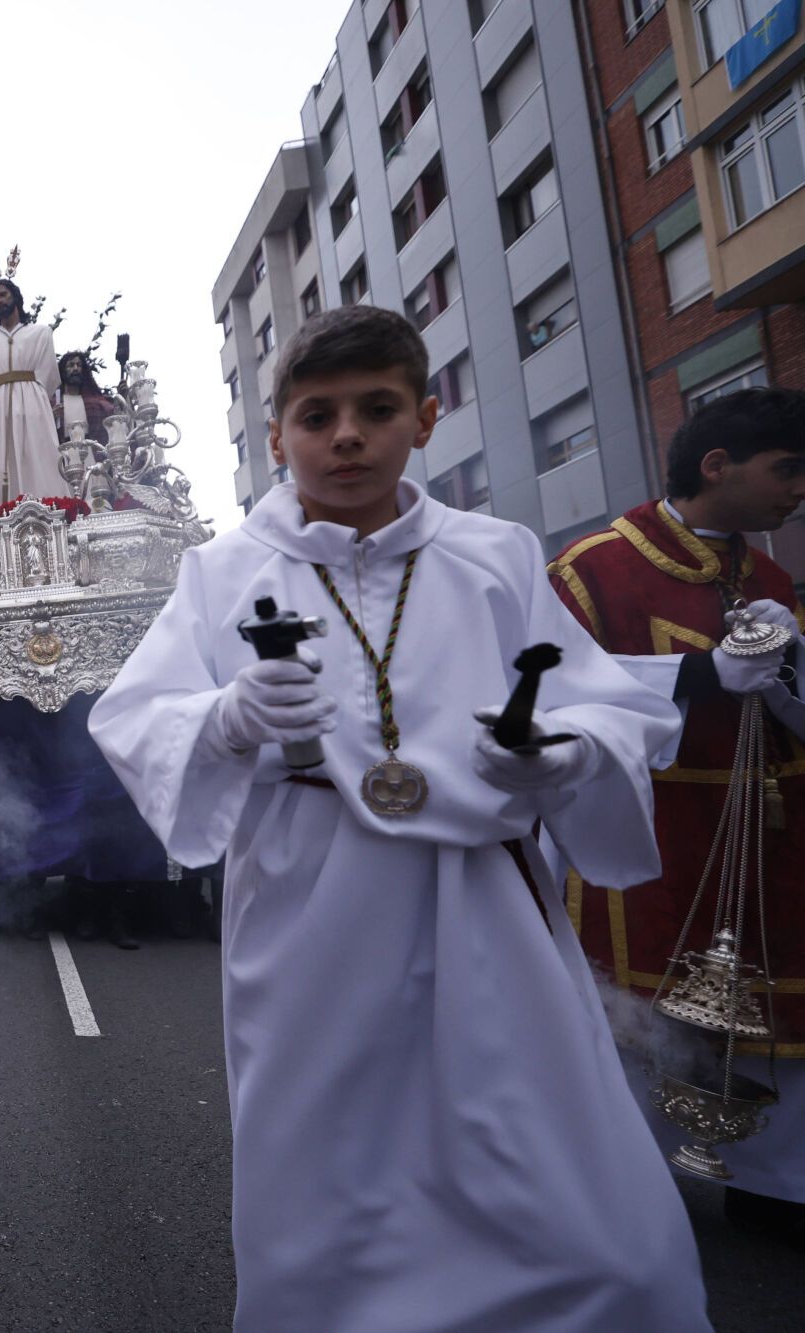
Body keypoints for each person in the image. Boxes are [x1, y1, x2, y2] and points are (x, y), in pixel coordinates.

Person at [88, 305, 709, 1331]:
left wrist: (562, 751)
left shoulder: (494, 554)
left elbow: (603, 701)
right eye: (314, 415)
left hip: (481, 896)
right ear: (276, 432)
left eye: (375, 409)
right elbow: (136, 718)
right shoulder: (223, 570)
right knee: (334, 1169)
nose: (344, 437)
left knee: (565, 1177)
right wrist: (227, 716)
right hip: (308, 903)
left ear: (423, 417)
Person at [547, 386, 805, 1243]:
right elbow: (544, 693)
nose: (797, 489)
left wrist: (793, 655)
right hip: (648, 832)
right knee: (640, 1019)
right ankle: (627, 1189)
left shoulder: (767, 576)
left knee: (775, 1017)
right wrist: (700, 677)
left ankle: (775, 1182)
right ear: (716, 465)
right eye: (788, 468)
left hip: (768, 831)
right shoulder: (594, 567)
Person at [0, 278, 65, 503]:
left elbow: (48, 376)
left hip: (33, 408)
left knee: (38, 457)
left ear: (16, 297)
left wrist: (28, 398)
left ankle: (48, 515)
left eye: (3, 294)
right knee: (1, 464)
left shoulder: (40, 334)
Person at [52, 350, 116, 446]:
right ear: (63, 370)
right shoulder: (54, 403)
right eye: (71, 365)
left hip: (92, 454)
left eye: (79, 365)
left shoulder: (96, 404)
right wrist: (52, 416)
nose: (75, 368)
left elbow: (113, 420)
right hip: (63, 454)